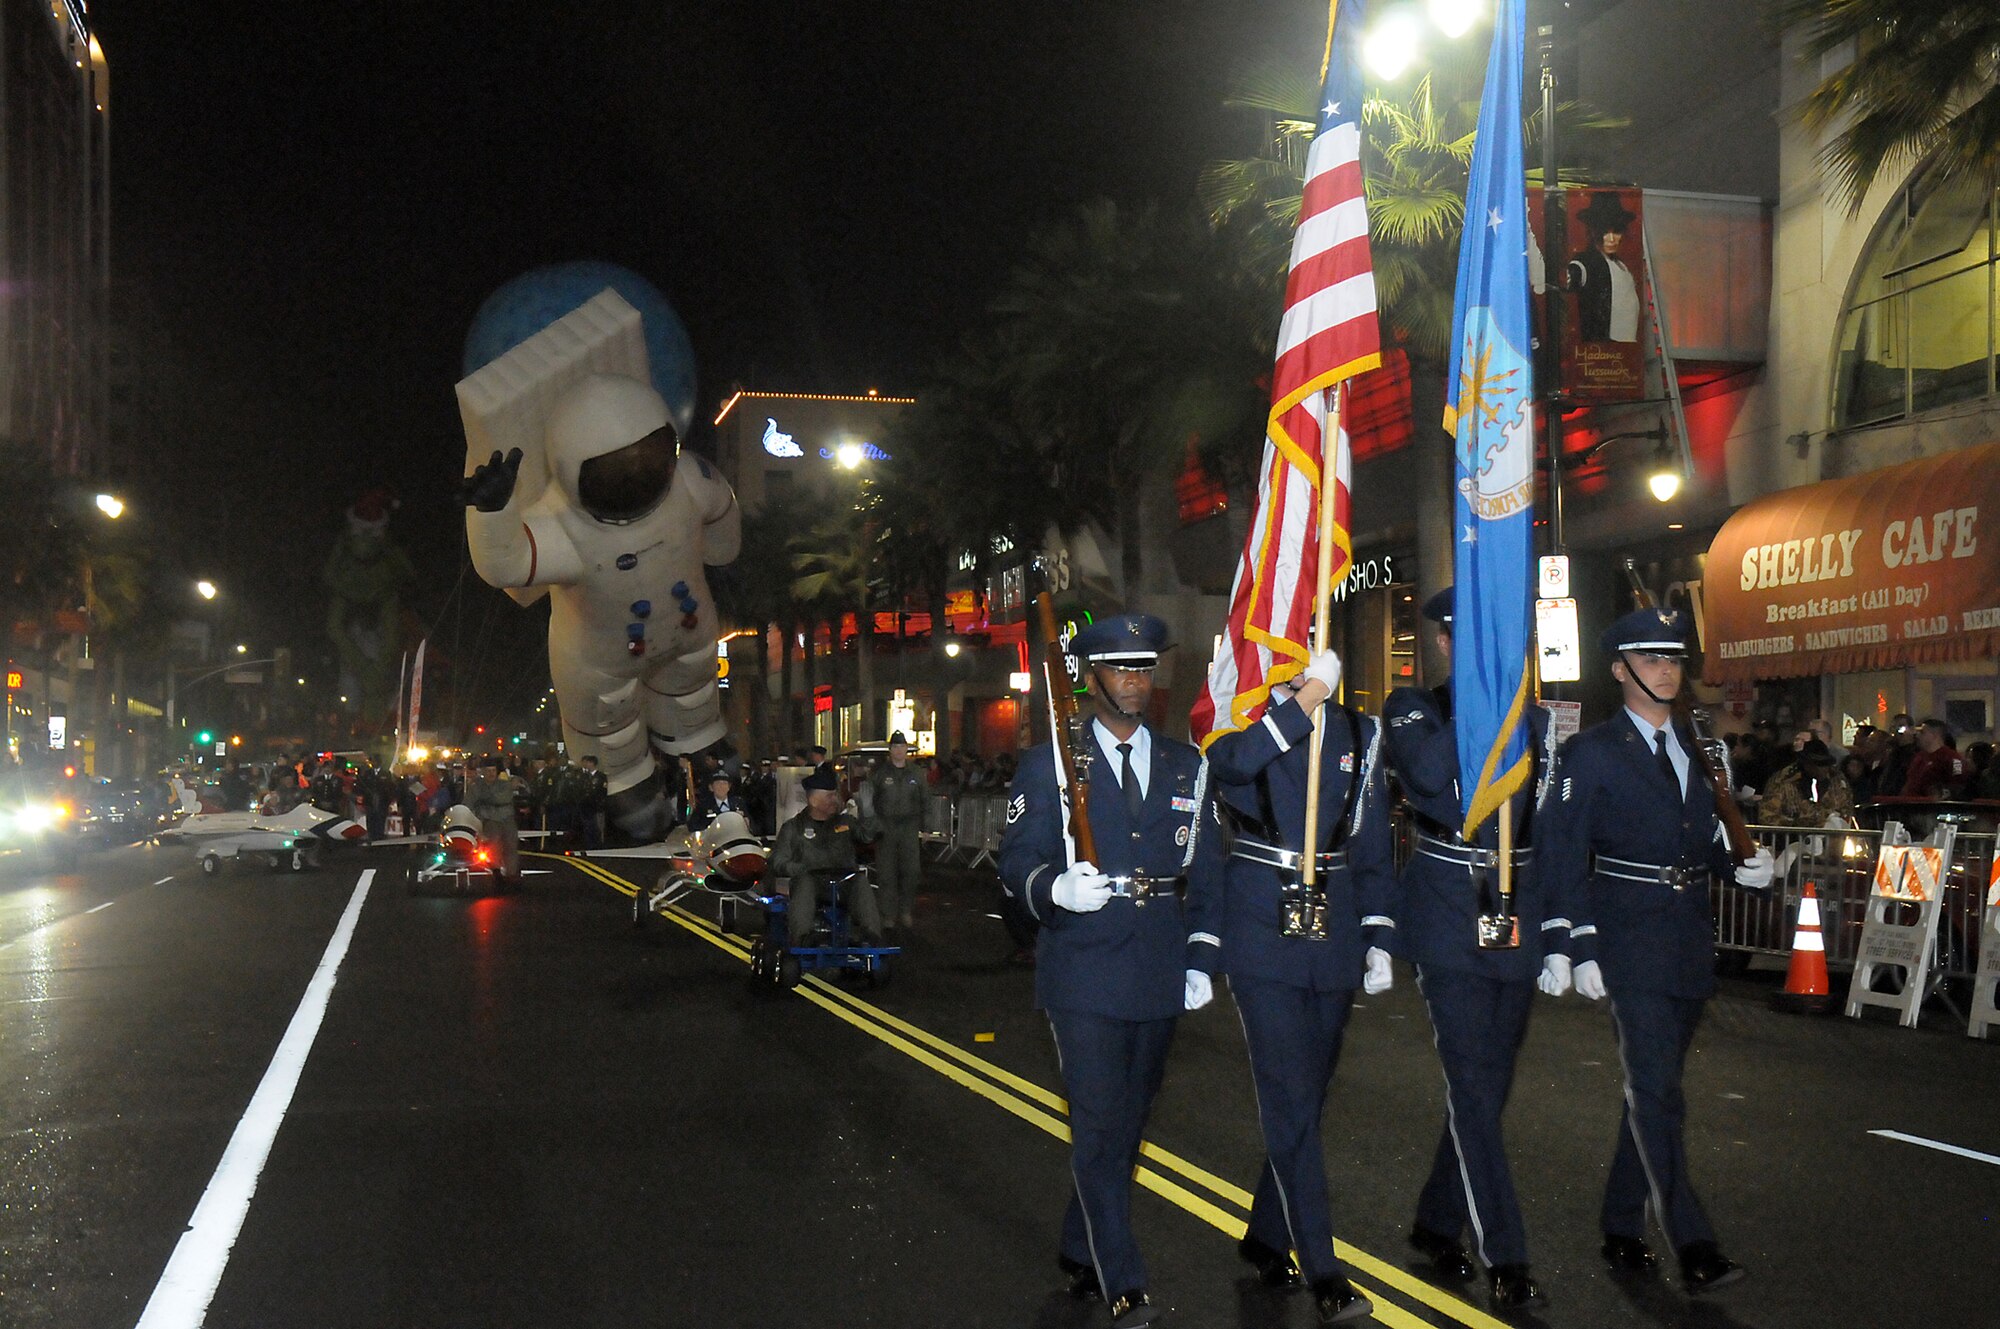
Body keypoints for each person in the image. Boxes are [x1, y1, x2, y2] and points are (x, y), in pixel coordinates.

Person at [1538, 607, 1775, 1295]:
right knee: (1658, 1092)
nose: (1666, 669)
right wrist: (1572, 941)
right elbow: (1561, 849)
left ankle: (1620, 1220)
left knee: (1654, 1094)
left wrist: (1741, 867)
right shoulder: (1592, 751)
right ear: (1620, 669)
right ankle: (1693, 1241)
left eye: (1673, 658)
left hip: (1686, 939)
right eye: (1650, 658)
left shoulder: (1700, 749)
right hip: (1626, 936)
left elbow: (1698, 841)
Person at [997, 613, 1223, 1329]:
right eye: (1121, 668)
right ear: (1090, 678)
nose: (1135, 680)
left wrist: (1203, 955)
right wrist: (1053, 890)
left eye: (1145, 668)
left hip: (1158, 960)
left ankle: (1079, 1240)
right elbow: (1015, 861)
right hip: (1084, 966)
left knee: (1129, 1122)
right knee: (1097, 1123)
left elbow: (1207, 872)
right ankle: (1121, 1277)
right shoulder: (1050, 763)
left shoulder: (1188, 763)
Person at [1383, 588, 1564, 1311]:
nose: (1473, 650)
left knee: (1486, 1087)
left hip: (1514, 916)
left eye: (1489, 640)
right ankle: (1507, 1253)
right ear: (1445, 644)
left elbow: (1543, 828)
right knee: (1471, 1084)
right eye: (1463, 640)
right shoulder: (1414, 709)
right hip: (1448, 912)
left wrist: (1555, 931)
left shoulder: (1540, 719)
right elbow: (1430, 777)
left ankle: (1436, 1218)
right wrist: (1481, 701)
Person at [1204, 642, 1392, 1325]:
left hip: (1334, 923)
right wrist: (1306, 698)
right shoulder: (1240, 715)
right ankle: (1324, 1266)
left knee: (1306, 1097)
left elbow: (1370, 836)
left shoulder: (1360, 732)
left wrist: (1377, 929)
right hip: (1260, 919)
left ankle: (1266, 1232)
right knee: (1287, 1096)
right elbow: (1229, 768)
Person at [769, 764, 880, 946]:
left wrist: (868, 812)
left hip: (844, 882)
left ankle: (871, 938)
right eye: (829, 796)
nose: (835, 800)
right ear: (813, 800)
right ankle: (802, 938)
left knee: (861, 881)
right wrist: (798, 868)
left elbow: (867, 837)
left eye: (835, 795)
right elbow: (777, 860)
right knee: (804, 883)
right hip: (812, 883)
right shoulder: (794, 828)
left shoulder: (846, 822)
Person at [867, 731, 927, 932]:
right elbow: (870, 801)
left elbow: (925, 799)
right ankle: (888, 914)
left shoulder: (917, 773)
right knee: (886, 874)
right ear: (890, 750)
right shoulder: (880, 773)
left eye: (902, 747)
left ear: (907, 749)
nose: (899, 751)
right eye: (895, 747)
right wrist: (873, 825)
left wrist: (926, 827)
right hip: (886, 828)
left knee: (911, 872)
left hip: (909, 828)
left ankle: (906, 910)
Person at [1566, 191, 1641, 342]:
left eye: (1617, 231)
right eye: (1605, 232)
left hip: (1625, 352)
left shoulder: (1621, 266)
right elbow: (1575, 272)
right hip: (1602, 351)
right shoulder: (1587, 261)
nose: (1612, 239)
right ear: (1593, 231)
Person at [1757, 738, 1856, 827]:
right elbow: (1767, 817)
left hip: (1830, 841)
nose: (1824, 769)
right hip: (1792, 842)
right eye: (1818, 764)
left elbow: (1847, 809)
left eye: (1826, 764)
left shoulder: (1837, 779)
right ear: (1807, 764)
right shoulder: (1783, 781)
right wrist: (1798, 825)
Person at [466, 755, 528, 888]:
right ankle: (496, 871)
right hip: (489, 819)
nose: (491, 774)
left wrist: (485, 800)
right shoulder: (476, 786)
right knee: (493, 844)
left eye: (493, 771)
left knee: (511, 845)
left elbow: (503, 798)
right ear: (482, 771)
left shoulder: (504, 784)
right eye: (488, 771)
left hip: (506, 818)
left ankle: (512, 874)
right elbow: (468, 804)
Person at [1899, 719, 1967, 799]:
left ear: (1935, 735)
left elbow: (1957, 785)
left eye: (1922, 732)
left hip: (1931, 808)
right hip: (1910, 806)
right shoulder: (1918, 757)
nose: (1917, 736)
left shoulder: (1953, 758)